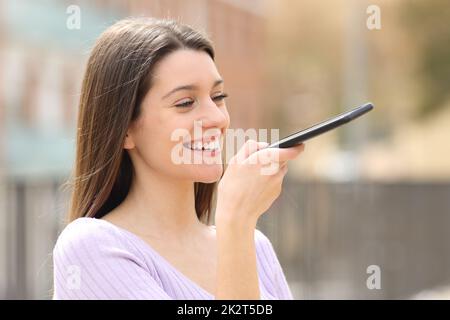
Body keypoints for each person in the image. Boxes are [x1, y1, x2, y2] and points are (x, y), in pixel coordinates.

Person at [52, 17, 305, 300]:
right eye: (185, 103)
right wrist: (236, 219)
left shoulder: (255, 246)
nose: (217, 118)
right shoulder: (92, 248)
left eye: (218, 96)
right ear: (124, 130)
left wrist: (238, 230)